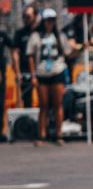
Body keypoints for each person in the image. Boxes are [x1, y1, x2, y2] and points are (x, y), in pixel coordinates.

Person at [26, 9, 73, 146]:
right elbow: (30, 55)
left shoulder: (59, 36)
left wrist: (81, 47)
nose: (50, 23)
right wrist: (33, 74)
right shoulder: (36, 36)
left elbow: (68, 53)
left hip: (57, 71)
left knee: (58, 105)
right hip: (42, 73)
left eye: (52, 20)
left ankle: (59, 134)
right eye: (48, 20)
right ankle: (42, 135)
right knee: (43, 105)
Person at [13, 4, 39, 107]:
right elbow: (15, 53)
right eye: (24, 16)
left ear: (35, 16)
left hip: (41, 71)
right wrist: (18, 72)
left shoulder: (40, 32)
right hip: (25, 72)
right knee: (27, 100)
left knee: (45, 100)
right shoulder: (20, 33)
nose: (26, 19)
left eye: (28, 16)